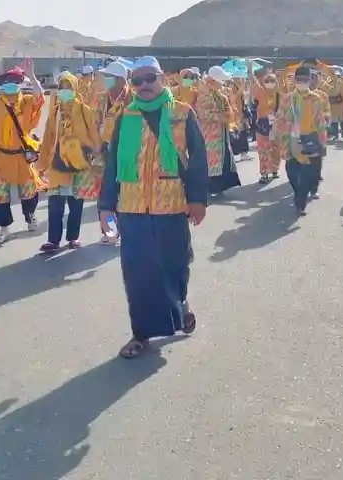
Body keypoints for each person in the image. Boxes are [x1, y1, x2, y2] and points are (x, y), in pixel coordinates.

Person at [98, 56, 208, 360]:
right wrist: (106, 204)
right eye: (138, 80)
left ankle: (181, 302)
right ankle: (141, 334)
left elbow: (198, 160)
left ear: (162, 79)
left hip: (170, 205)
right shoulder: (126, 116)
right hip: (131, 207)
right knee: (137, 272)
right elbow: (113, 164)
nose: (144, 85)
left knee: (174, 264)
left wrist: (197, 199)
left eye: (150, 78)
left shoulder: (182, 114)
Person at [38, 72, 102, 252]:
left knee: (76, 204)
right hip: (58, 164)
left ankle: (73, 238)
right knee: (55, 204)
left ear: (75, 89)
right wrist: (42, 164)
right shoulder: (55, 112)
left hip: (79, 165)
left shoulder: (84, 110)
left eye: (68, 88)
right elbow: (48, 138)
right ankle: (53, 240)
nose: (65, 91)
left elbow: (94, 135)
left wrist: (96, 156)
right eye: (62, 88)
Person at [0, 65, 45, 244]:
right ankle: (3, 228)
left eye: (14, 81)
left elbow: (39, 98)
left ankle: (30, 216)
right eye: (6, 81)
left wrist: (32, 77)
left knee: (29, 191)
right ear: (1, 84)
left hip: (21, 156)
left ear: (20, 83)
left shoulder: (26, 101)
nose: (10, 84)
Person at [274, 65, 329, 215]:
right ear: (294, 80)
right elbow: (279, 118)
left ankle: (301, 201)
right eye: (299, 79)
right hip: (291, 139)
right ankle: (298, 193)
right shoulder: (287, 99)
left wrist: (323, 143)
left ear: (310, 80)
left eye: (305, 79)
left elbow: (321, 123)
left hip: (309, 139)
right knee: (291, 171)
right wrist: (276, 134)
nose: (302, 82)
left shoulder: (316, 99)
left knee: (308, 173)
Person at [95, 60, 132, 243]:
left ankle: (122, 231)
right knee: (106, 195)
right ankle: (110, 230)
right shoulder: (103, 99)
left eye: (109, 77)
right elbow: (96, 123)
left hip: (126, 154)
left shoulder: (131, 100)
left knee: (123, 195)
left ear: (120, 80)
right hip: (105, 153)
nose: (105, 80)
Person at [196, 66, 242, 196]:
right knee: (211, 161)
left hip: (221, 133)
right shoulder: (204, 95)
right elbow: (202, 114)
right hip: (210, 134)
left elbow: (229, 111)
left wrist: (229, 114)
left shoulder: (220, 95)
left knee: (223, 159)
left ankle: (221, 186)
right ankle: (211, 188)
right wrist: (220, 117)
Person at [252, 66, 283, 184]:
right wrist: (250, 71)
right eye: (267, 81)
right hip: (262, 125)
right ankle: (264, 173)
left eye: (272, 81)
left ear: (276, 83)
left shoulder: (280, 95)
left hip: (276, 125)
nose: (269, 83)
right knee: (263, 150)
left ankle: (274, 170)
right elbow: (253, 82)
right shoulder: (261, 92)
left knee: (275, 149)